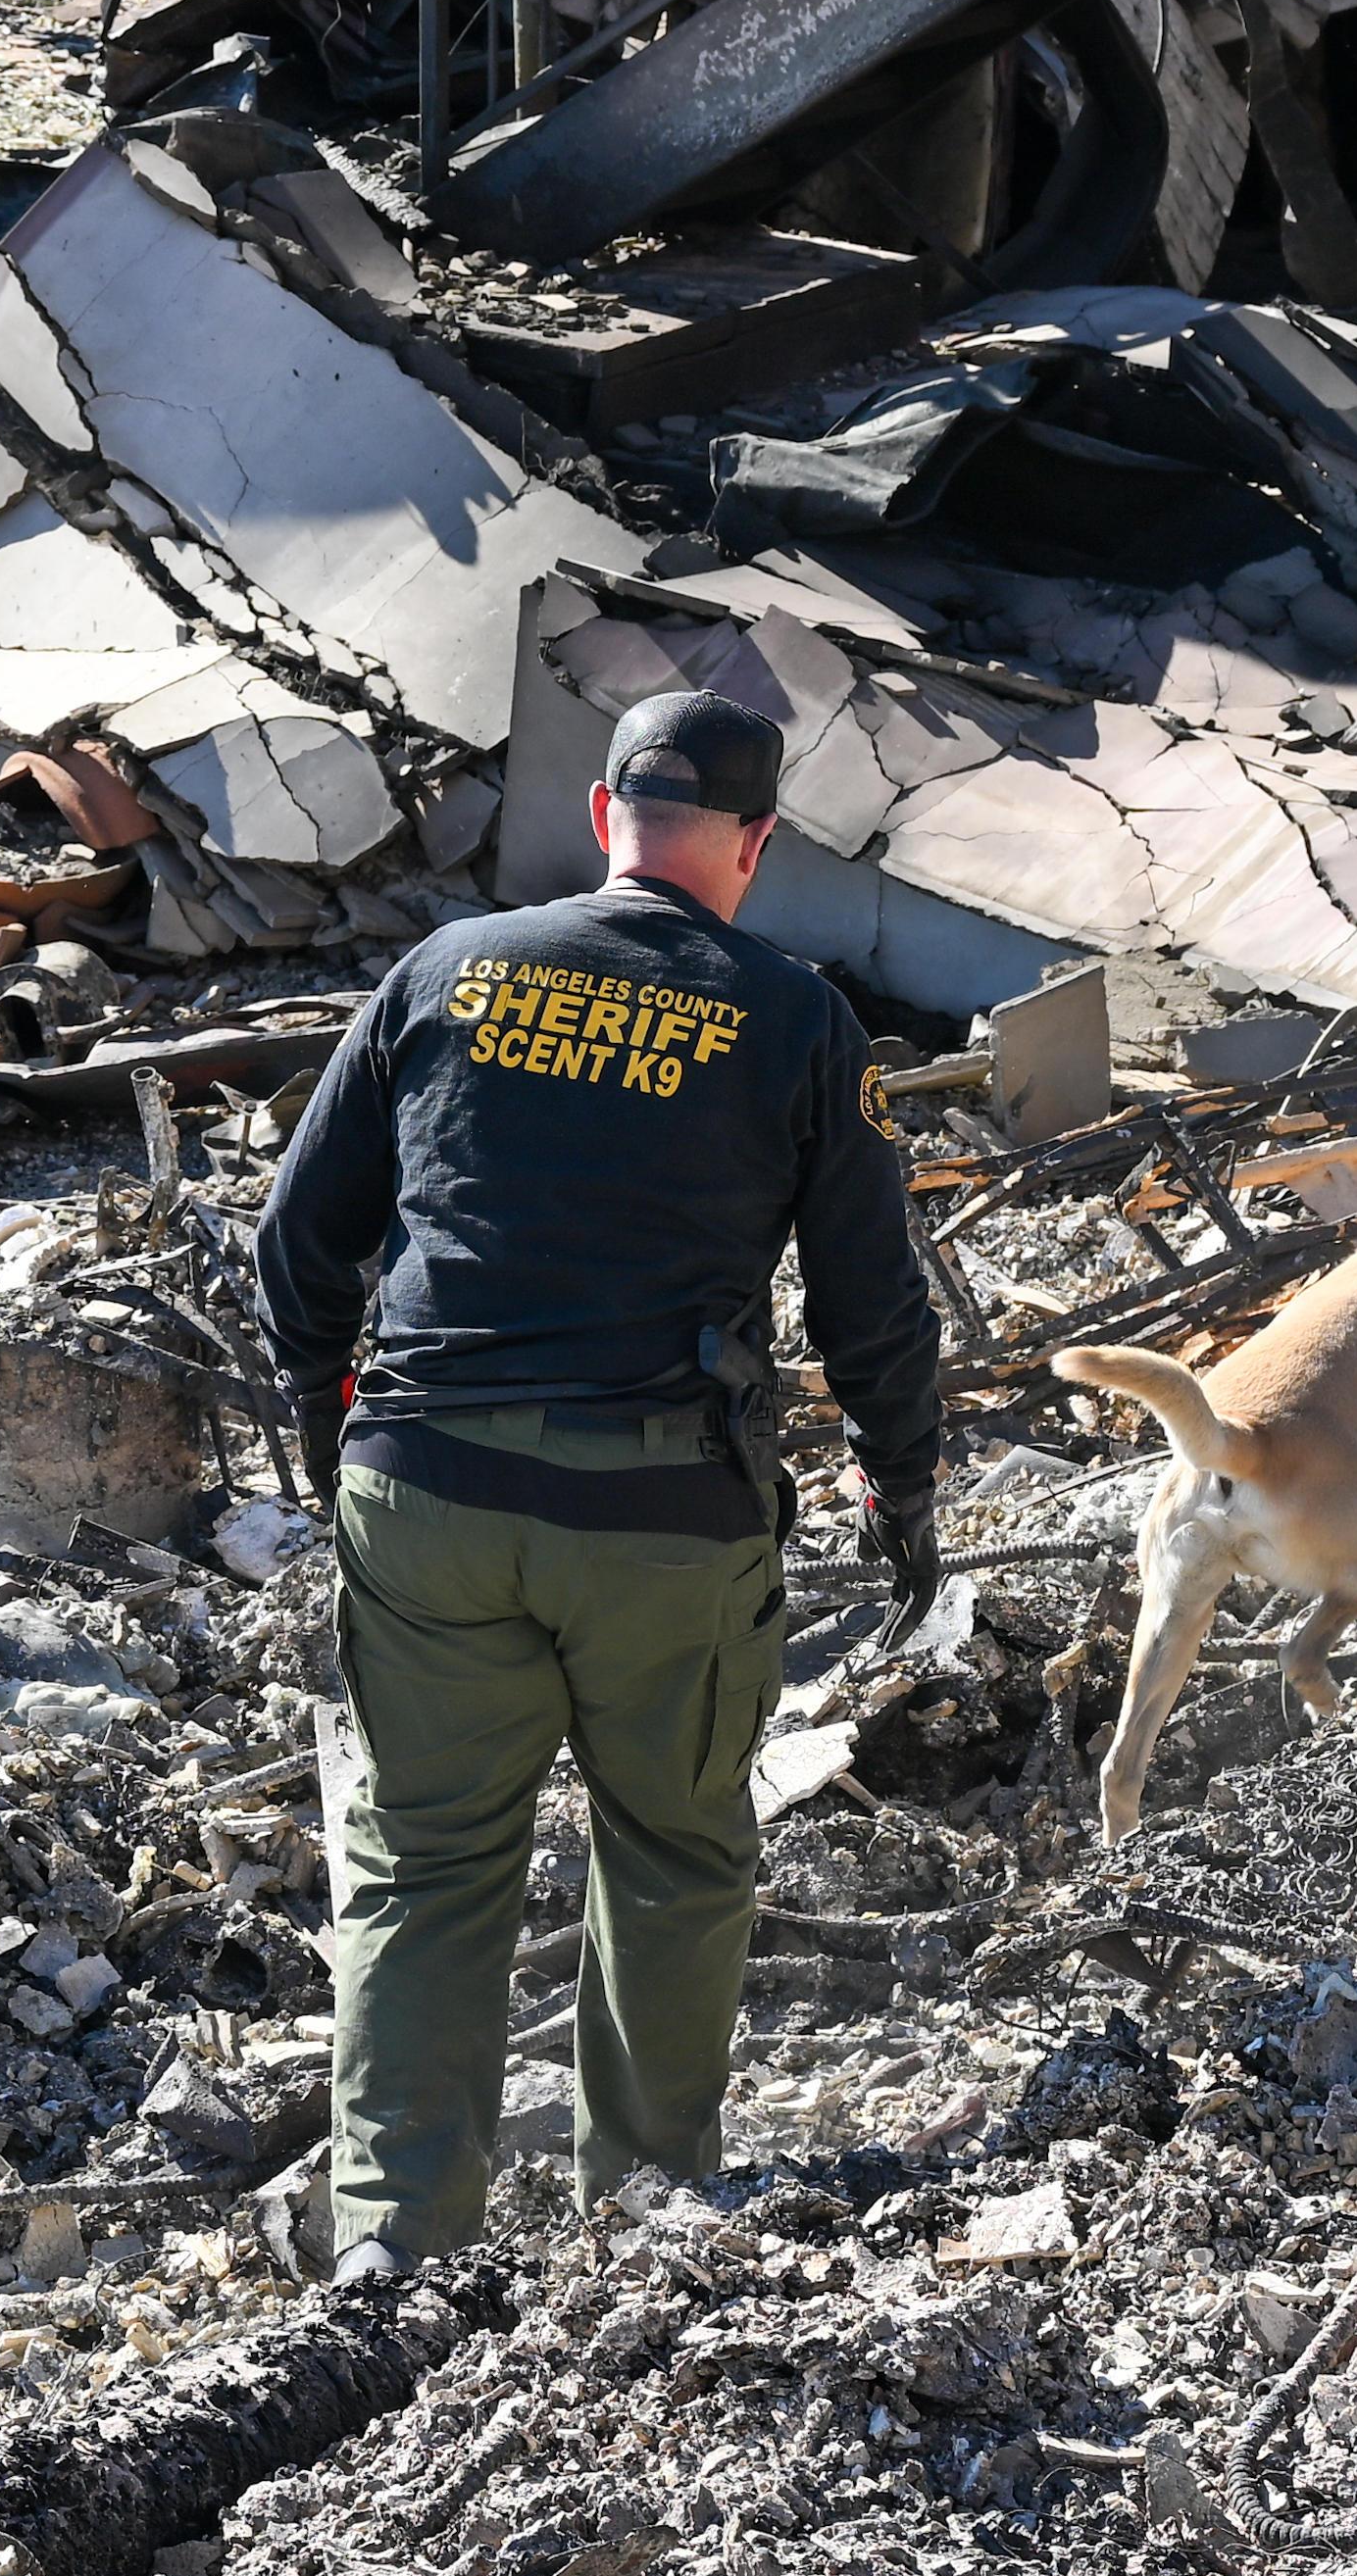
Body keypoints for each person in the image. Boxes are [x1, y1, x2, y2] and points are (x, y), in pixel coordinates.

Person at [248, 685, 941, 2265]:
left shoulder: (444, 972)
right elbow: (870, 1305)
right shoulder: (793, 1017)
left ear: (601, 820)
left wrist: (327, 1427)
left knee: (423, 1871)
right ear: (753, 848)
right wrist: (905, 1489)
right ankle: (641, 2217)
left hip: (427, 1497)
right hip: (660, 1518)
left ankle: (396, 2252)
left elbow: (300, 1242)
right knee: (677, 1855)